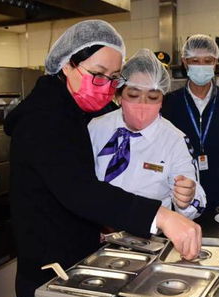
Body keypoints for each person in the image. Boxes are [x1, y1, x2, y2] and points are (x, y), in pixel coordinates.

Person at [4, 20, 201, 297]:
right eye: (97, 74)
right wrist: (159, 215)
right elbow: (79, 190)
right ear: (68, 64)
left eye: (112, 79)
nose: (105, 86)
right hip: (49, 264)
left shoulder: (72, 111)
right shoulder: (45, 120)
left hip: (77, 253)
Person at [88, 49, 206, 219]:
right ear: (119, 95)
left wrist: (187, 198)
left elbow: (197, 203)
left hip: (147, 238)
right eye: (134, 95)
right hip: (96, 232)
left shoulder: (174, 140)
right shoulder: (96, 128)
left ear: (162, 100)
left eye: (152, 97)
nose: (143, 104)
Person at [162, 34, 219, 214]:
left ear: (216, 62)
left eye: (208, 60)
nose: (201, 66)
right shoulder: (170, 103)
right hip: (181, 192)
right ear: (184, 62)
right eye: (195, 61)